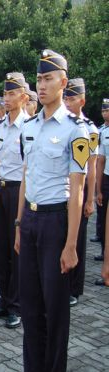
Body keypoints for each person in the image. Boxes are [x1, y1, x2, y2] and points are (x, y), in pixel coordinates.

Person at [16, 49, 88, 372]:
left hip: (56, 223)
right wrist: (19, 224)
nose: (41, 86)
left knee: (55, 309)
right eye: (38, 79)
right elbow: (25, 178)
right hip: (30, 221)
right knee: (30, 307)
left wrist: (71, 244)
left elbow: (77, 190)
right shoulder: (29, 127)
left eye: (47, 79)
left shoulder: (76, 130)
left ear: (63, 82)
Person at [0, 72, 29, 330]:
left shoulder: (28, 127)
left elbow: (28, 168)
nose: (7, 98)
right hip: (1, 191)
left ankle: (17, 305)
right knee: (0, 249)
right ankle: (4, 299)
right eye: (6, 94)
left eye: (12, 94)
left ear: (23, 97)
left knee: (15, 249)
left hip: (18, 191)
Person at [64, 78, 97, 306]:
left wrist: (90, 198)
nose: (67, 102)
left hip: (81, 188)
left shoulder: (88, 130)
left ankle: (75, 289)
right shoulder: (65, 126)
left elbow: (92, 167)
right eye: (66, 98)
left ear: (82, 101)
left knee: (79, 240)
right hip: (65, 190)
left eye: (72, 98)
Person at [94, 98, 109, 286]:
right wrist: (97, 189)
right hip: (107, 179)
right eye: (104, 111)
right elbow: (100, 160)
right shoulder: (102, 131)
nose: (105, 113)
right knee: (104, 221)